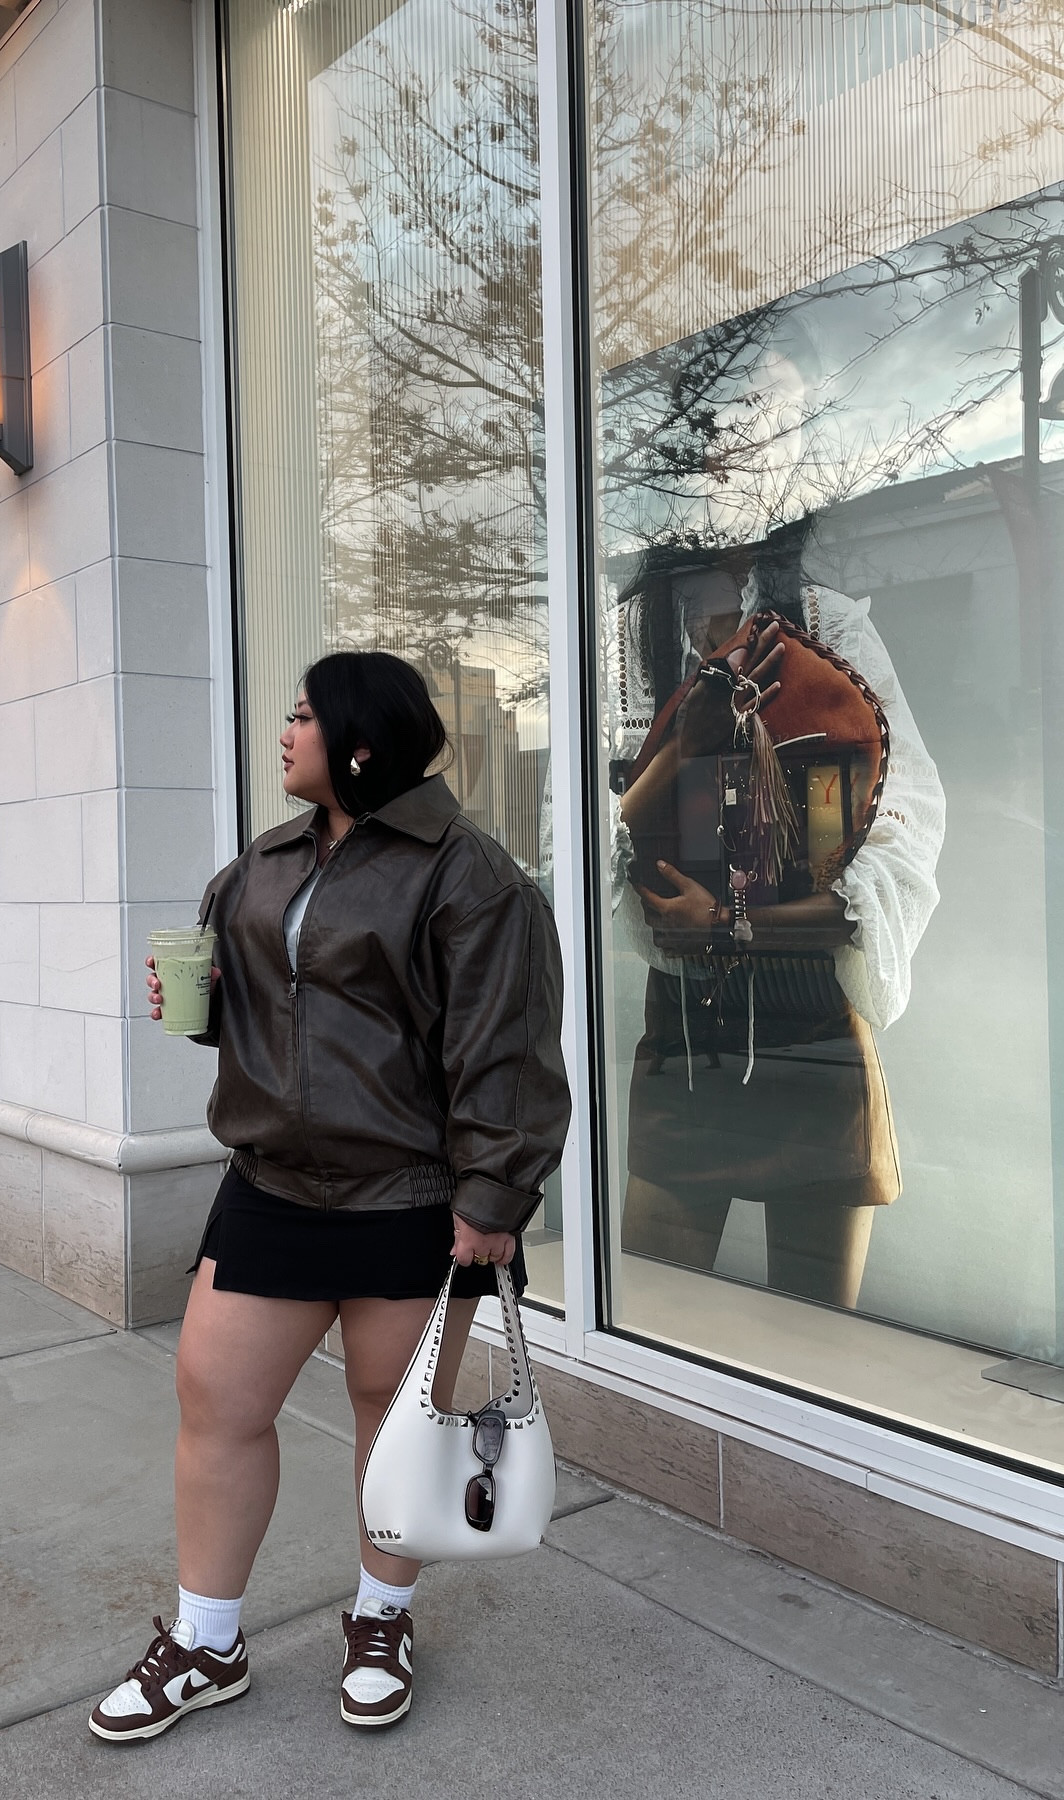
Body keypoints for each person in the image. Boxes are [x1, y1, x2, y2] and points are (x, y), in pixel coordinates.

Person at [88, 649, 570, 1742]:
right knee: (216, 1402)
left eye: (303, 717)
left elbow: (508, 1050)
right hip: (271, 1188)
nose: (285, 732)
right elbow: (260, 1012)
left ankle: (381, 1618)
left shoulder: (467, 874)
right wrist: (199, 1002)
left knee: (392, 1421)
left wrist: (494, 1195)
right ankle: (207, 1640)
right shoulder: (265, 863)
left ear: (359, 740)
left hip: (411, 1195)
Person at [611, 520, 944, 1306]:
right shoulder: (627, 640)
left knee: (813, 1354)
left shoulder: (828, 626)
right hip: (688, 1041)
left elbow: (903, 837)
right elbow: (582, 844)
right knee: (648, 1331)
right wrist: (681, 745)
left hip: (816, 1038)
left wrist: (730, 925)